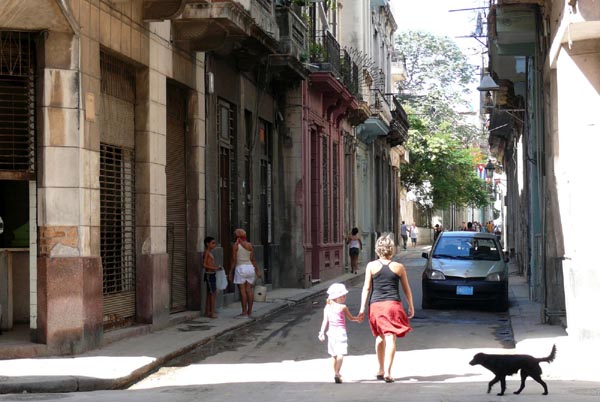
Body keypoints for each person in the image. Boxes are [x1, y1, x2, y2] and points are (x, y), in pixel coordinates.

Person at [357, 234, 414, 383]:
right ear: (391, 249)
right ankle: (388, 372)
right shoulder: (399, 267)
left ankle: (380, 369)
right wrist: (411, 305)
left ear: (377, 249)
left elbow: (366, 288)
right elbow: (406, 289)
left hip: (376, 306)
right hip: (392, 305)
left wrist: (362, 308)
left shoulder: (371, 266)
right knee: (390, 337)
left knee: (379, 337)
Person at [318, 283, 360, 384]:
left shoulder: (327, 307)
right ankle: (337, 373)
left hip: (331, 332)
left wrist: (321, 332)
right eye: (343, 295)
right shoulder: (343, 307)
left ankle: (336, 373)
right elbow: (351, 318)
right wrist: (357, 319)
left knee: (333, 355)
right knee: (340, 353)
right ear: (337, 297)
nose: (345, 297)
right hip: (341, 332)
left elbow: (325, 321)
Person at [228, 228, 262, 318]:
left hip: (241, 268)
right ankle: (249, 312)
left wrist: (230, 272)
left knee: (242, 291)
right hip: (250, 268)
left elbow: (234, 260)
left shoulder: (235, 246)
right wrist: (257, 270)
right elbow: (252, 259)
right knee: (249, 290)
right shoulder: (249, 245)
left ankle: (244, 312)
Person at [202, 236, 222, 319]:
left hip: (212, 274)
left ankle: (208, 311)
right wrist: (215, 268)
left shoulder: (210, 252)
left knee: (210, 293)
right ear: (207, 244)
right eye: (212, 243)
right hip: (209, 274)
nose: (214, 245)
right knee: (213, 293)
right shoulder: (206, 252)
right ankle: (212, 312)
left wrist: (216, 267)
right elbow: (204, 265)